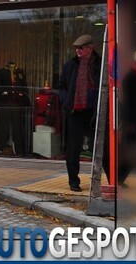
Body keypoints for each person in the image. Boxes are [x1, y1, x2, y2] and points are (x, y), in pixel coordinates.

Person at [58, 34, 101, 192]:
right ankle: (73, 181)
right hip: (75, 111)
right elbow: (62, 85)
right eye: (76, 48)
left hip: (94, 111)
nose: (78, 50)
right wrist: (66, 100)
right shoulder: (70, 65)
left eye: (81, 47)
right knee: (73, 147)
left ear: (90, 48)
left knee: (101, 146)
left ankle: (113, 180)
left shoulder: (99, 64)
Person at [118, 48, 136, 187]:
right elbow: (129, 102)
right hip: (135, 121)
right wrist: (131, 123)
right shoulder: (131, 77)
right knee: (133, 151)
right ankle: (119, 176)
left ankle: (120, 177)